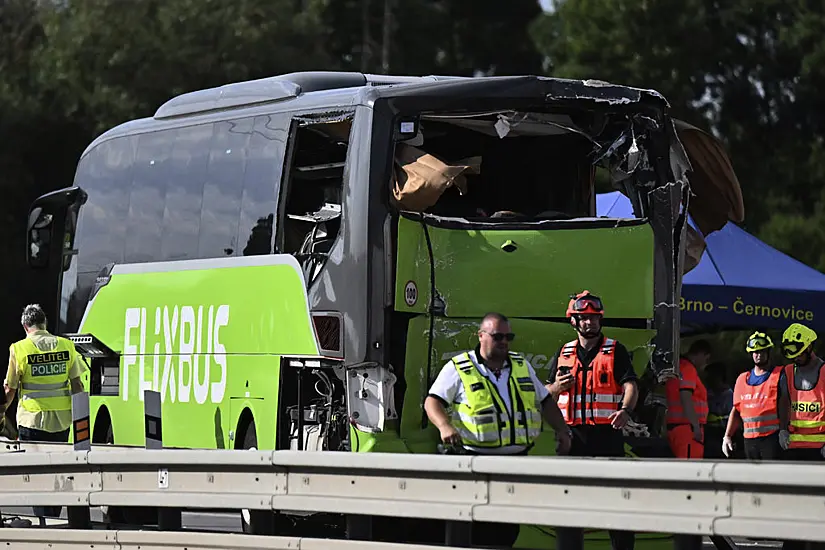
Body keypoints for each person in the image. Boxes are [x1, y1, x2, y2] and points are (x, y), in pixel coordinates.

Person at [424, 312, 572, 548]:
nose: (504, 341)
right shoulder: (460, 367)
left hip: (516, 462)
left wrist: (562, 430)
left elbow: (545, 400)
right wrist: (444, 426)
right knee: (476, 528)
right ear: (481, 336)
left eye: (508, 336)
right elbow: (432, 401)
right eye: (497, 336)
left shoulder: (521, 365)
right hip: (476, 461)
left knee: (507, 529)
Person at [544, 291, 638, 550]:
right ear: (573, 321)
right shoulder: (564, 352)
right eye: (583, 318)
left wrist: (625, 410)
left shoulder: (615, 350)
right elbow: (545, 396)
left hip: (606, 437)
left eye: (594, 318)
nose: (590, 323)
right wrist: (556, 387)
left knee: (616, 502)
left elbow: (630, 384)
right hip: (573, 438)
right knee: (569, 503)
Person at [1, 304, 89, 523]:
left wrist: (2, 413)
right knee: (59, 470)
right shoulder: (67, 346)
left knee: (37, 473)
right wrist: (82, 419)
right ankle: (53, 515)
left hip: (32, 421)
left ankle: (44, 521)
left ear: (25, 326)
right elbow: (78, 386)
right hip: (62, 420)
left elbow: (10, 390)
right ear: (45, 323)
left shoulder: (19, 349)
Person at [723, 331, 783, 460]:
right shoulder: (742, 379)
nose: (758, 355)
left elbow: (786, 405)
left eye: (761, 351)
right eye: (755, 352)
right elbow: (736, 410)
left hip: (772, 438)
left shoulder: (779, 375)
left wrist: (785, 431)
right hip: (749, 440)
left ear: (768, 352)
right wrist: (727, 436)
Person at [777, 322, 825, 461]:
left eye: (799, 354)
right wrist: (783, 429)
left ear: (809, 347)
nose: (795, 358)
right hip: (794, 445)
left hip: (820, 446)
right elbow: (784, 401)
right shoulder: (788, 372)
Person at [665, 340, 711, 459]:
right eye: (706, 359)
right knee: (690, 469)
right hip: (687, 428)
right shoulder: (688, 368)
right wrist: (695, 425)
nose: (705, 364)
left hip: (679, 427)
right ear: (701, 354)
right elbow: (685, 396)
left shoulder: (679, 367)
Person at [704, 362, 733, 459]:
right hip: (707, 433)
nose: (708, 380)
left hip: (722, 433)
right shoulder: (707, 393)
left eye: (711, 376)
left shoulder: (729, 395)